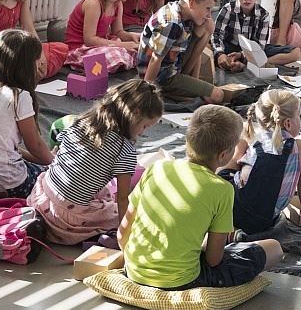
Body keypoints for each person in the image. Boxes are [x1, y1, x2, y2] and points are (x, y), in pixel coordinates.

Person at [118, 105, 283, 290]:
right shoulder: (222, 189)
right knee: (274, 248)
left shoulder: (157, 168)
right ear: (223, 155)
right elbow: (213, 260)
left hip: (133, 271)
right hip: (183, 281)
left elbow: (122, 234)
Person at [27, 79, 163, 245]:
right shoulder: (124, 151)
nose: (143, 133)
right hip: (66, 220)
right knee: (133, 214)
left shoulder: (81, 120)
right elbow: (122, 199)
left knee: (101, 190)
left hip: (41, 198)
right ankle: (100, 235)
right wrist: (125, 237)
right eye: (145, 126)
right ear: (135, 113)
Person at [218, 89, 301, 235]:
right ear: (288, 123)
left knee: (240, 144)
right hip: (263, 221)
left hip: (231, 210)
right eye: (299, 116)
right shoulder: (300, 147)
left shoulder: (255, 143)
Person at [0, 30, 52, 198]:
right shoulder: (18, 96)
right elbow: (36, 146)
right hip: (8, 182)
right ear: (27, 66)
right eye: (37, 61)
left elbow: (0, 147)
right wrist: (56, 162)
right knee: (53, 179)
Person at [138, 0, 225, 104]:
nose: (209, 15)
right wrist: (147, 95)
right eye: (207, 9)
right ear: (191, 3)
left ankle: (182, 94)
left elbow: (195, 51)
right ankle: (164, 94)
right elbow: (155, 59)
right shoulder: (171, 23)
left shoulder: (183, 11)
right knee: (217, 95)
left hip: (173, 66)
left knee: (205, 27)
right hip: (162, 76)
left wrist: (194, 84)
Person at [211, 0, 300, 72]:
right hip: (229, 48)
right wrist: (220, 54)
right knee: (208, 46)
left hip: (253, 51)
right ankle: (244, 64)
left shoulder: (263, 15)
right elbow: (216, 35)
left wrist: (241, 55)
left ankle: (248, 66)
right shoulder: (228, 9)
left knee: (296, 53)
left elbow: (260, 45)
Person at [64, 0, 140, 73]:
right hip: (81, 48)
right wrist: (123, 45)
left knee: (139, 49)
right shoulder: (93, 3)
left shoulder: (118, 3)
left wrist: (131, 37)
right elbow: (89, 40)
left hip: (101, 43)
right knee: (116, 54)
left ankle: (125, 60)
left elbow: (118, 31)